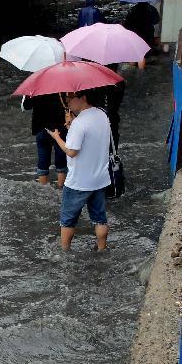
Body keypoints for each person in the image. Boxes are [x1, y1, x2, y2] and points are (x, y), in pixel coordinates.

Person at [47, 90, 112, 251]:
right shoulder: (102, 114)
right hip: (100, 178)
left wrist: (56, 137)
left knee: (67, 220)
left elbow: (71, 151)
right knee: (100, 218)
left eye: (70, 98)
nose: (67, 102)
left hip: (79, 182)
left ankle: (65, 252)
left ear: (83, 98)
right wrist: (71, 126)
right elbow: (90, 139)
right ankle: (102, 248)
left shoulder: (80, 123)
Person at [23, 93, 68, 186]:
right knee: (61, 158)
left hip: (40, 127)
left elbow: (26, 106)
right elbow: (68, 104)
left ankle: (43, 189)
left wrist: (29, 95)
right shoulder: (62, 86)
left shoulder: (36, 87)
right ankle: (61, 189)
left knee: (43, 158)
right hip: (59, 127)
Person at [124, 2, 160, 69]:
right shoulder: (151, 8)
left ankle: (132, 67)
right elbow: (156, 20)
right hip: (148, 35)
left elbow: (127, 24)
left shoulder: (133, 9)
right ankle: (141, 70)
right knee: (143, 53)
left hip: (135, 35)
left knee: (135, 52)